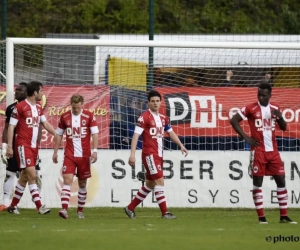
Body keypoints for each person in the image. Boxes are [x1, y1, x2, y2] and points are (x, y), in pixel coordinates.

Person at [230, 82, 297, 224]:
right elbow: (234, 120)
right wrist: (247, 138)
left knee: (281, 181)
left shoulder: (275, 108)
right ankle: (262, 218)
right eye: (259, 95)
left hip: (273, 151)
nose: (260, 98)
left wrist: (280, 117)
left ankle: (283, 217)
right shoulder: (251, 108)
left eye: (263, 95)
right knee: (257, 183)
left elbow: (284, 128)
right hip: (258, 151)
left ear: (270, 96)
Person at [124, 90, 188, 219]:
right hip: (149, 155)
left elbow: (171, 133)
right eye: (152, 101)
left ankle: (130, 208)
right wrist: (132, 154)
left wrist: (181, 145)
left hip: (159, 155)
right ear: (148, 103)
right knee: (160, 181)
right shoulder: (144, 117)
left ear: (160, 102)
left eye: (157, 101)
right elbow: (136, 135)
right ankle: (165, 213)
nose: (155, 103)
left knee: (150, 184)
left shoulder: (164, 118)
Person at [6, 81, 56, 215]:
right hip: (23, 145)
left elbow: (45, 124)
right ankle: (40, 206)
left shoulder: (38, 107)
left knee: (25, 177)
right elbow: (11, 127)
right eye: (41, 91)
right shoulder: (20, 107)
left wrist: (57, 134)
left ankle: (12, 206)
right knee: (33, 175)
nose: (43, 93)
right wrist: (9, 146)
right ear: (35, 93)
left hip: (34, 147)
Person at [52, 94, 99, 219]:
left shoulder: (89, 116)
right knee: (67, 180)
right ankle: (64, 209)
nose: (76, 109)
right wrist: (55, 152)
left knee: (82, 184)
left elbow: (95, 134)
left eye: (78, 107)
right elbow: (59, 135)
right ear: (70, 105)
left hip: (84, 156)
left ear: (82, 105)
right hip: (70, 155)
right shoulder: (65, 117)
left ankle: (80, 211)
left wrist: (95, 151)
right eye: (74, 107)